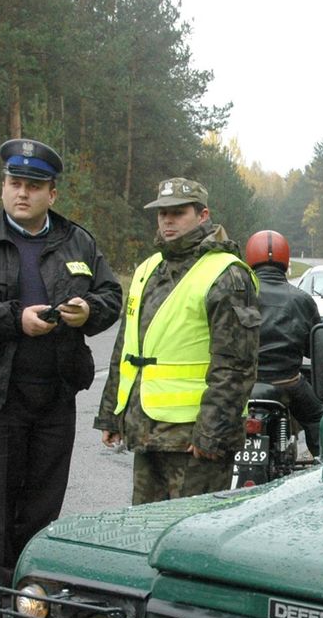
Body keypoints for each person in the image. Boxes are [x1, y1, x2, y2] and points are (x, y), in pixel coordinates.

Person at [0, 138, 122, 617]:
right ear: (3, 187)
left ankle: (32, 593)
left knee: (43, 501)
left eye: (33, 186)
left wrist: (88, 313)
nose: (22, 193)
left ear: (51, 194)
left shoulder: (77, 242)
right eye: (14, 183)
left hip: (56, 392)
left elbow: (110, 297)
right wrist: (14, 319)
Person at [95, 177, 260, 503]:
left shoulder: (226, 274)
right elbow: (126, 347)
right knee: (145, 535)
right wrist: (113, 414)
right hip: (148, 432)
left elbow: (236, 365)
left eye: (178, 212)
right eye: (162, 213)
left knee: (190, 541)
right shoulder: (148, 269)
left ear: (203, 215)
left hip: (194, 442)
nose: (167, 220)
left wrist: (212, 434)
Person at [244, 229, 323, 457]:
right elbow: (314, 349)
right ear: (286, 260)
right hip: (287, 382)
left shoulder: (238, 294)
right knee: (318, 418)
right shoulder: (303, 300)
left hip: (241, 384)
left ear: (249, 258)